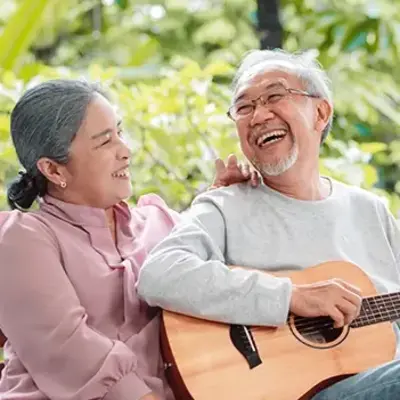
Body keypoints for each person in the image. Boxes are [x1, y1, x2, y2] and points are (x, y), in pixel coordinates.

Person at [137, 48, 400, 400]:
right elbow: (159, 274)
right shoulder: (225, 205)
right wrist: (291, 297)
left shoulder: (370, 210)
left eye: (275, 96)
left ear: (320, 112)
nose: (259, 115)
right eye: (244, 107)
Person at [0, 79, 257, 400]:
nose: (126, 151)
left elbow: (228, 282)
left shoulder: (159, 221)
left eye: (119, 133)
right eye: (105, 141)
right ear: (53, 169)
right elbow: (68, 347)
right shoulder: (22, 239)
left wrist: (220, 209)